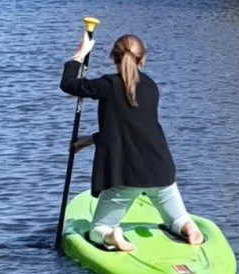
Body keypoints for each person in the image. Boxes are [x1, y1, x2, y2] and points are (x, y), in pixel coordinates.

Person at [60, 30, 203, 252]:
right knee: (177, 219)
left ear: (113, 58)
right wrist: (90, 140)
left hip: (127, 178)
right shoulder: (151, 87)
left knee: (97, 229)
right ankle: (190, 229)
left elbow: (69, 84)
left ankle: (112, 235)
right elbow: (134, 130)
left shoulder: (107, 85)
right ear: (143, 59)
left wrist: (80, 54)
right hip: (161, 171)